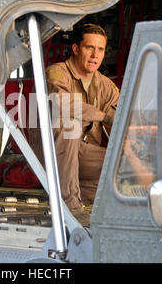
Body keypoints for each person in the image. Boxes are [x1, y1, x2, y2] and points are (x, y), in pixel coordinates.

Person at [41, 23, 119, 226]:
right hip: (51, 155)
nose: (95, 55)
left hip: (83, 155)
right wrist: (102, 116)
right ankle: (69, 205)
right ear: (76, 49)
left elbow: (121, 117)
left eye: (100, 49)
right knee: (70, 126)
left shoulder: (105, 85)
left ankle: (88, 198)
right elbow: (62, 105)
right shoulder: (57, 73)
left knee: (122, 159)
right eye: (89, 47)